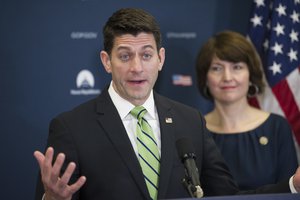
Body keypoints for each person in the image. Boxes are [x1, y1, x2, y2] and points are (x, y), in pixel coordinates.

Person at [34, 8, 300, 200]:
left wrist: (292, 185)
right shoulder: (71, 128)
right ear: (106, 61)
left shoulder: (191, 121)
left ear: (160, 59)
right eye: (125, 56)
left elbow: (228, 197)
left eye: (146, 55)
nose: (137, 67)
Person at [195, 30, 299, 190]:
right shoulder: (193, 131)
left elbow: (289, 192)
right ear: (205, 78)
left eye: (237, 67)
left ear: (250, 76)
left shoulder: (277, 128)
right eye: (217, 68)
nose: (227, 77)